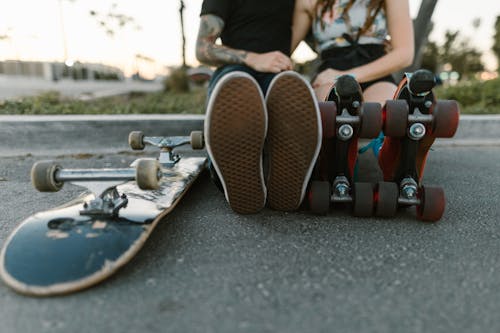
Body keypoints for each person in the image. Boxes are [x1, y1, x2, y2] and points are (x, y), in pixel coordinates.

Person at [196, 0, 322, 214]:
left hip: (278, 74)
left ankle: (282, 178)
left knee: (288, 89)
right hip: (235, 71)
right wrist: (253, 58)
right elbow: (202, 49)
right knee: (236, 89)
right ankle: (234, 180)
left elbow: (325, 42)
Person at [291, 0, 414, 105]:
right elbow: (286, 48)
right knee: (331, 112)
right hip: (329, 74)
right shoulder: (307, 2)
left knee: (383, 113)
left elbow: (404, 53)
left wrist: (347, 76)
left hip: (376, 73)